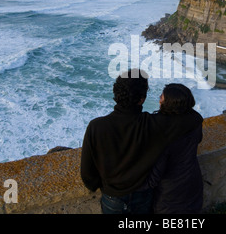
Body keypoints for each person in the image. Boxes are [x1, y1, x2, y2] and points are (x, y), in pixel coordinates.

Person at [80, 69, 203, 214]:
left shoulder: (96, 126)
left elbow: (87, 173)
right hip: (143, 194)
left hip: (112, 196)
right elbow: (193, 119)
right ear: (142, 99)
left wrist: (100, 186)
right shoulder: (152, 125)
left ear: (115, 93)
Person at [147, 83, 203, 214]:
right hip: (192, 181)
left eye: (162, 96)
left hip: (170, 190)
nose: (159, 97)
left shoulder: (160, 127)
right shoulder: (196, 119)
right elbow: (198, 139)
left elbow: (159, 165)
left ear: (169, 103)